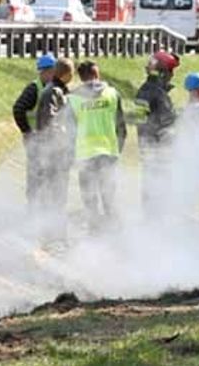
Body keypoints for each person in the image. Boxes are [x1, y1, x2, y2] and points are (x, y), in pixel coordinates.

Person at [66, 60, 127, 233]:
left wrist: (71, 155)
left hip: (85, 156)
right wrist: (117, 151)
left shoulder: (73, 99)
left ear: (81, 77)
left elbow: (69, 131)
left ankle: (95, 235)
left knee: (89, 200)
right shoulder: (112, 94)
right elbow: (121, 127)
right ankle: (115, 235)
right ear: (95, 75)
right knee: (109, 198)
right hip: (109, 153)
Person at [135, 51, 180, 218]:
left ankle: (156, 221)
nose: (172, 76)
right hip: (157, 150)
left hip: (155, 149)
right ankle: (155, 224)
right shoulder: (152, 93)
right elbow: (156, 123)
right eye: (170, 72)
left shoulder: (152, 91)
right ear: (162, 72)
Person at [35, 57, 75, 242]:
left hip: (60, 152)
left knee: (60, 194)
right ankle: (50, 233)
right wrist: (62, 141)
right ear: (66, 74)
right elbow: (49, 122)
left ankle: (57, 232)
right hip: (54, 153)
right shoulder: (52, 92)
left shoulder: (60, 91)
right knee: (54, 194)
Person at [13, 53, 57, 212]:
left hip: (51, 141)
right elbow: (18, 109)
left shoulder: (54, 88)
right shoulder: (34, 88)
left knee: (51, 176)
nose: (55, 75)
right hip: (37, 140)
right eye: (53, 71)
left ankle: (47, 209)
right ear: (45, 72)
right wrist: (28, 132)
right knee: (36, 176)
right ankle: (33, 210)